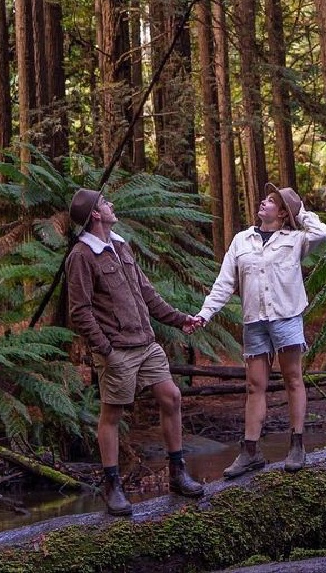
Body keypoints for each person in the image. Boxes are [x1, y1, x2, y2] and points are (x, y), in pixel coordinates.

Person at [65, 187, 205, 516]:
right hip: (117, 350)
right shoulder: (81, 256)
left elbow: (146, 292)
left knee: (171, 397)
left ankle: (177, 472)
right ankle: (112, 485)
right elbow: (80, 311)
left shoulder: (121, 246)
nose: (111, 204)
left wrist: (179, 319)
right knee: (112, 414)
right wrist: (106, 350)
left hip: (147, 343)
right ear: (96, 215)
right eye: (105, 202)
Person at [189, 182, 326, 477]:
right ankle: (250, 450)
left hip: (287, 317)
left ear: (281, 213)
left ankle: (297, 444)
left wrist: (298, 209)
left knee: (293, 379)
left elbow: (321, 233)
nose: (262, 203)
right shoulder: (242, 240)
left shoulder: (294, 240)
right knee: (254, 386)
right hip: (254, 320)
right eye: (264, 199)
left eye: (270, 201)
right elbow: (225, 282)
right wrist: (205, 314)